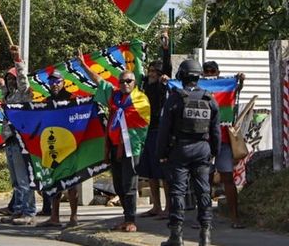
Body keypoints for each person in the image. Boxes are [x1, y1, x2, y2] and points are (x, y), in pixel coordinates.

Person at [79, 48, 150, 233]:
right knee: (118, 185)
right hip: (114, 147)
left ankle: (131, 220)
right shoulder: (115, 97)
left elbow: (143, 125)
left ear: (135, 83)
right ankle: (125, 218)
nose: (125, 84)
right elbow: (99, 80)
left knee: (129, 185)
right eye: (122, 81)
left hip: (131, 148)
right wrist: (84, 66)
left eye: (129, 81)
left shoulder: (140, 100)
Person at [157, 59, 220, 246]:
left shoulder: (175, 98)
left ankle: (176, 237)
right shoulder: (209, 99)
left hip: (180, 150)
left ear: (182, 76)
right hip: (203, 149)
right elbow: (216, 131)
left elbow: (164, 129)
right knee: (204, 191)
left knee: (177, 191)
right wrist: (213, 152)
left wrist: (161, 152)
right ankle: (205, 236)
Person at [0, 45, 36, 226]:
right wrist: (1, 84)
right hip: (10, 141)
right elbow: (4, 89)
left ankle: (29, 212)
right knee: (16, 180)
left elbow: (23, 81)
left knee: (24, 179)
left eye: (13, 78)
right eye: (8, 78)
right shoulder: (9, 98)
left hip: (21, 142)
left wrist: (17, 59)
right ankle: (17, 210)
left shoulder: (22, 95)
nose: (11, 81)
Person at [202, 60, 246, 229]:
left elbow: (237, 89)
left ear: (218, 72)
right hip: (204, 141)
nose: (209, 73)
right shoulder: (196, 89)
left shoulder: (225, 88)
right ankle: (205, 219)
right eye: (206, 71)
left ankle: (235, 217)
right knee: (203, 180)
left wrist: (240, 81)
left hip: (223, 141)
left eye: (212, 71)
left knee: (227, 178)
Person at [37, 71, 80, 228]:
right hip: (53, 147)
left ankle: (74, 217)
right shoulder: (46, 101)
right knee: (55, 182)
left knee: (72, 183)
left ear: (63, 82)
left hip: (69, 147)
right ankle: (54, 217)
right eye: (51, 82)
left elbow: (79, 118)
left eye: (57, 81)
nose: (54, 84)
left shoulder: (72, 98)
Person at [138, 31, 172, 219]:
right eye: (149, 71)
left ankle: (168, 207)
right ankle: (156, 206)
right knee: (149, 172)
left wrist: (165, 47)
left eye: (154, 72)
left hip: (160, 132)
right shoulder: (145, 86)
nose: (151, 74)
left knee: (162, 173)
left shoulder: (161, 87)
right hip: (146, 131)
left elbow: (167, 67)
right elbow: (135, 69)